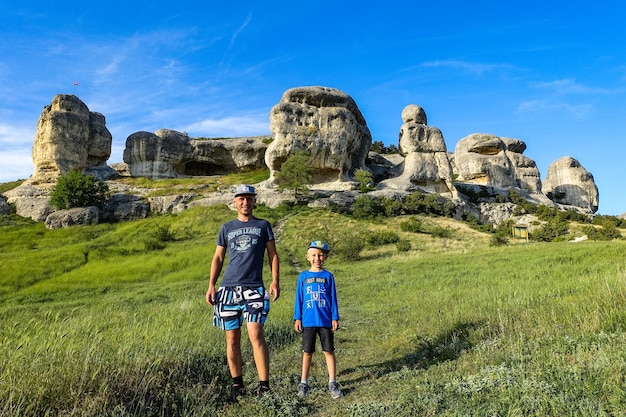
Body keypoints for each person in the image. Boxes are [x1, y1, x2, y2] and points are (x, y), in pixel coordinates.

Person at [205, 184, 280, 403]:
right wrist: (212, 285)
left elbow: (273, 254)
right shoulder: (226, 228)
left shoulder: (263, 225)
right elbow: (218, 258)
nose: (245, 202)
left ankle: (264, 386)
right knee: (232, 338)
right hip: (228, 289)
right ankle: (237, 385)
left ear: (255, 201)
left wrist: (275, 281)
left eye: (249, 198)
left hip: (254, 287)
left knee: (255, 334)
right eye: (241, 199)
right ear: (235, 202)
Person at [293, 240, 343, 399]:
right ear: (307, 257)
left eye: (321, 255)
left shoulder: (328, 276)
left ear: (326, 257)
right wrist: (297, 318)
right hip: (307, 322)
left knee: (328, 351)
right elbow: (299, 299)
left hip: (325, 321)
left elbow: (333, 298)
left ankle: (332, 382)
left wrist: (334, 317)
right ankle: (304, 383)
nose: (317, 258)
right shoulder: (303, 277)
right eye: (314, 255)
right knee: (307, 352)